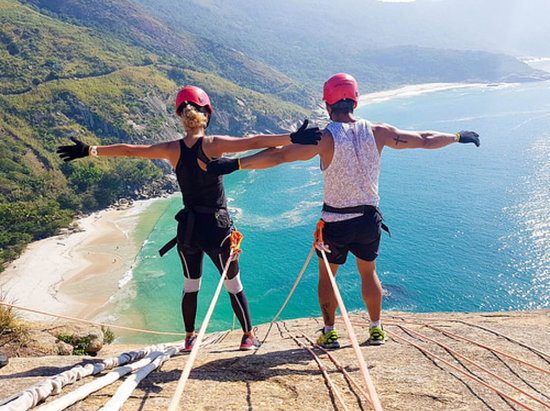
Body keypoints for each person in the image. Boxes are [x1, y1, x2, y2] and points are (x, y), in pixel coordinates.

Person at [206, 73, 480, 348]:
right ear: (356, 101)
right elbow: (424, 138)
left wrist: (234, 165)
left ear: (327, 105)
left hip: (335, 222)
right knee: (368, 272)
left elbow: (279, 155)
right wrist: (457, 136)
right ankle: (375, 329)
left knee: (329, 277)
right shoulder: (378, 132)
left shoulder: (325, 138)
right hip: (368, 219)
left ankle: (329, 331)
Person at [57, 85, 321, 351]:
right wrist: (293, 137)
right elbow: (254, 142)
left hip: (189, 231)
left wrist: (90, 150)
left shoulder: (172, 149)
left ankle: (189, 338)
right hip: (217, 229)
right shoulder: (213, 145)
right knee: (233, 284)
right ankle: (247, 336)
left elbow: (131, 150)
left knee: (190, 285)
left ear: (181, 117)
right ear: (206, 113)